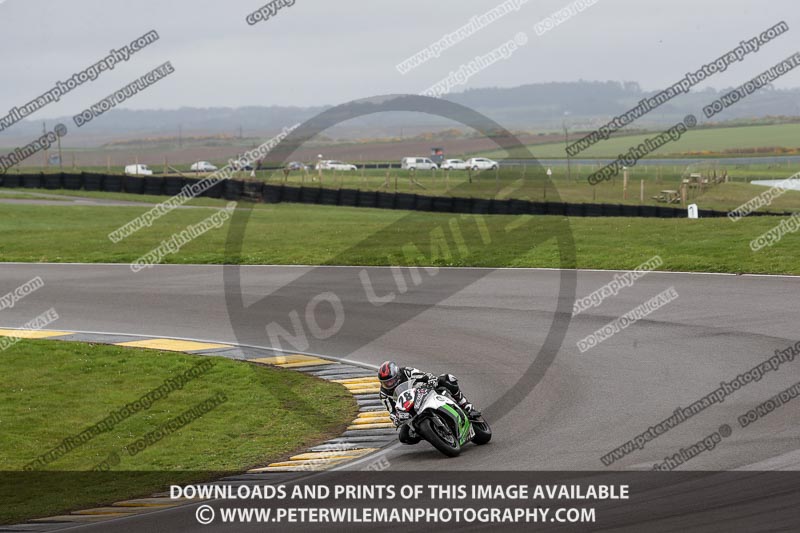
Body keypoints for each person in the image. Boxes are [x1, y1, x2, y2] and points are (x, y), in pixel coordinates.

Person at [377, 360, 480, 444]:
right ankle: (431, 434)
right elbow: (391, 410)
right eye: (386, 383)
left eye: (391, 380)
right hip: (409, 409)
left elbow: (423, 375)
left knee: (446, 379)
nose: (389, 384)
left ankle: (467, 406)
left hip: (424, 392)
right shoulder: (384, 394)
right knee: (404, 437)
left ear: (397, 375)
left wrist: (430, 379)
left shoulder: (406, 372)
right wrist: (396, 418)